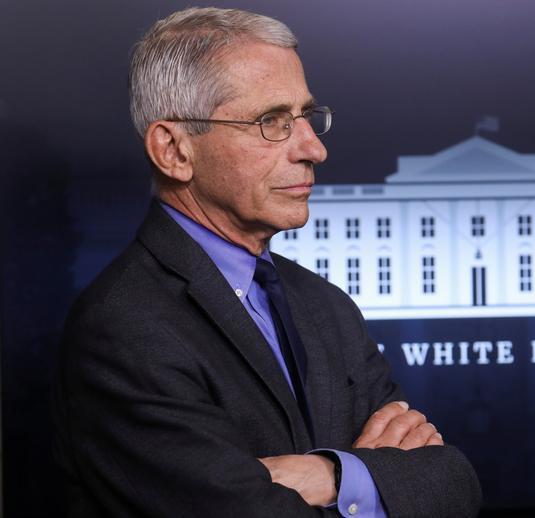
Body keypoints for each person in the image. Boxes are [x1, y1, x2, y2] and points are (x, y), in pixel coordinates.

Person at [52, 7, 481, 517]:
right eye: (271, 121)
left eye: (306, 116)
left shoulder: (327, 307)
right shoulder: (121, 329)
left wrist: (330, 474)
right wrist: (377, 480)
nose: (313, 148)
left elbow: (454, 485)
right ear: (173, 150)